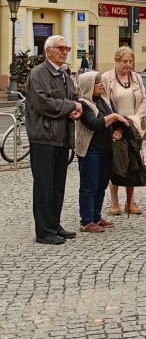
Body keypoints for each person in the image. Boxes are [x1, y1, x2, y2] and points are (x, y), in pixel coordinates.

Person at [25, 35, 83, 245]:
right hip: (43, 137)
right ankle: (44, 231)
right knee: (44, 185)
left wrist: (76, 109)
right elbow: (43, 104)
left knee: (58, 185)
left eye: (67, 48)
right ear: (48, 50)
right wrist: (71, 107)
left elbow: (74, 99)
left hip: (61, 136)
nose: (65, 51)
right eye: (60, 48)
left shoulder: (65, 75)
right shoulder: (38, 73)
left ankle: (54, 224)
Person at [76, 72, 129, 233]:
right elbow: (94, 124)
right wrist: (113, 116)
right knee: (89, 185)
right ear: (88, 85)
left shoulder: (106, 100)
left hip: (106, 148)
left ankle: (96, 216)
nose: (101, 84)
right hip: (90, 149)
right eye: (97, 82)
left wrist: (119, 130)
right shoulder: (83, 104)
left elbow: (118, 120)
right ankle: (86, 221)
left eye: (101, 81)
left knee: (101, 185)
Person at [101, 46, 146, 214]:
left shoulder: (136, 78)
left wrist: (136, 118)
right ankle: (114, 202)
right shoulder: (106, 78)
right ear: (116, 61)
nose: (128, 64)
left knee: (134, 163)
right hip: (115, 127)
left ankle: (131, 202)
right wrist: (118, 124)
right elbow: (105, 104)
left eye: (130, 61)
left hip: (134, 127)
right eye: (124, 61)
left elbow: (144, 99)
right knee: (117, 163)